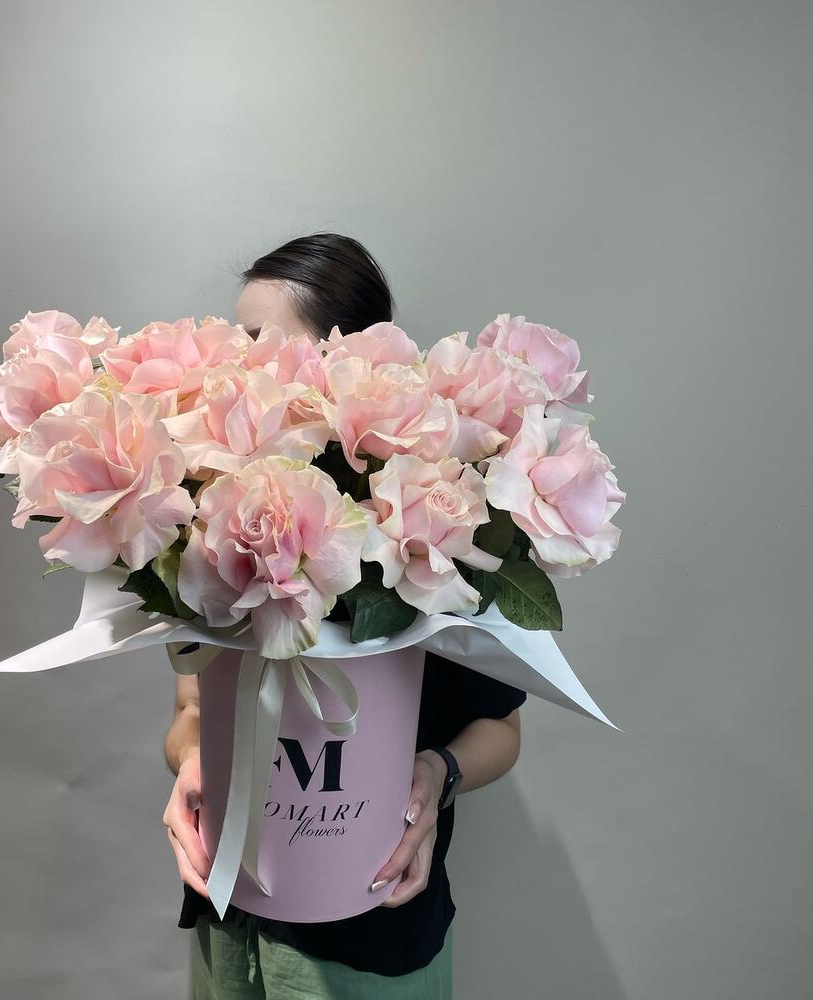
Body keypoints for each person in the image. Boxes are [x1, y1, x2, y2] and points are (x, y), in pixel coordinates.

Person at [163, 233, 527, 999]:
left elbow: (501, 730)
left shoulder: (436, 526)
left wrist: (438, 772)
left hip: (369, 934)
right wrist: (194, 765)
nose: (235, 366)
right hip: (231, 914)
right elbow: (191, 708)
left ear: (342, 358)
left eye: (258, 342)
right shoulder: (213, 525)